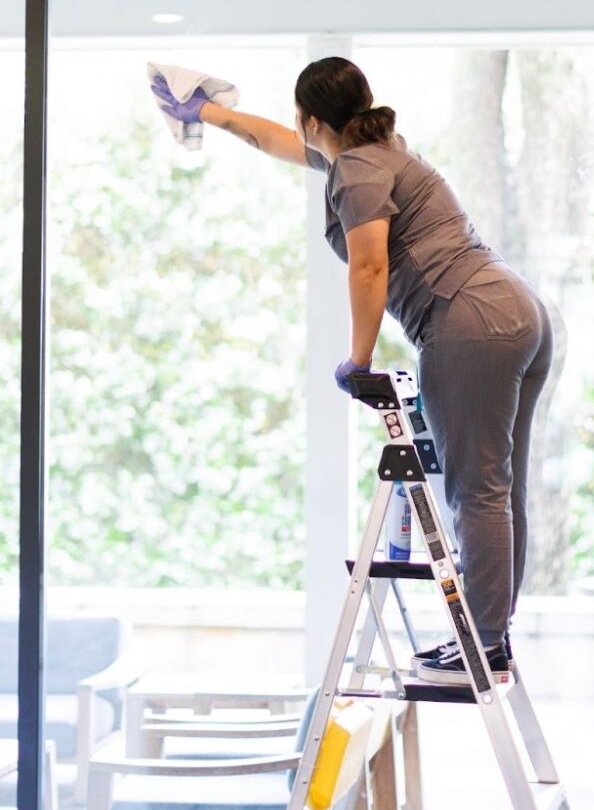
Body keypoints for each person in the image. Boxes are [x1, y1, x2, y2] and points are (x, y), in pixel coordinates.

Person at [152, 58, 553, 685]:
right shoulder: (378, 151)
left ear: (314, 119)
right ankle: (491, 639)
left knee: (478, 491)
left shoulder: (357, 172)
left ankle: (483, 646)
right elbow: (278, 142)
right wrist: (210, 112)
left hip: (468, 319)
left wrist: (357, 363)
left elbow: (368, 268)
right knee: (499, 490)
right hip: (516, 312)